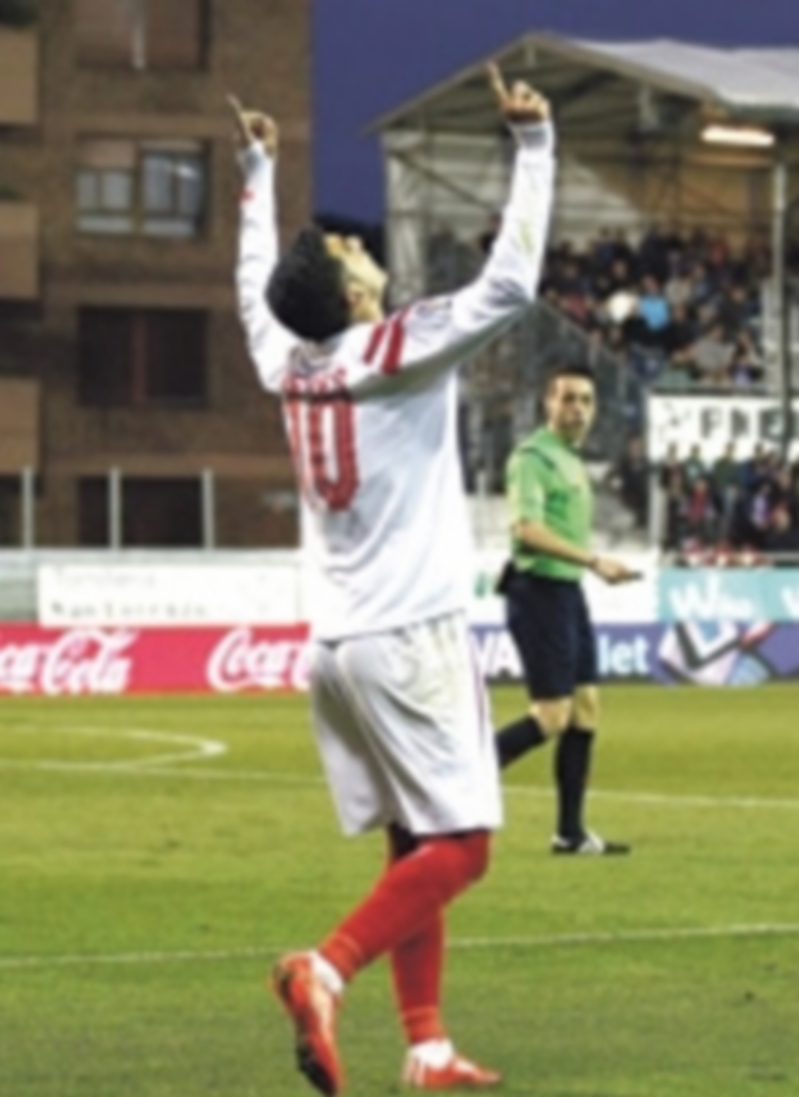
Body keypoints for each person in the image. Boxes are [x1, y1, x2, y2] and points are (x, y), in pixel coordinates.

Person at [231, 64, 555, 1096]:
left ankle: (424, 1049)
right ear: (355, 294)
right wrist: (534, 150)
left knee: (413, 839)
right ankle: (321, 969)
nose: (362, 248)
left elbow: (251, 291)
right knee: (463, 847)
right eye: (350, 250)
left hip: (334, 645)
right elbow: (508, 285)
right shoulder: (392, 348)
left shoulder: (289, 361)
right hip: (411, 635)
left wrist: (254, 171)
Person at [494, 364, 640, 854]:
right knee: (552, 716)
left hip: (566, 591)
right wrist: (595, 560)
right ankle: (458, 782)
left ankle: (570, 833)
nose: (577, 409)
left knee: (585, 710)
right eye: (568, 399)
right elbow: (526, 530)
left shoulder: (572, 459)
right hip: (538, 591)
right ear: (548, 404)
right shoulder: (533, 457)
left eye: (585, 401)